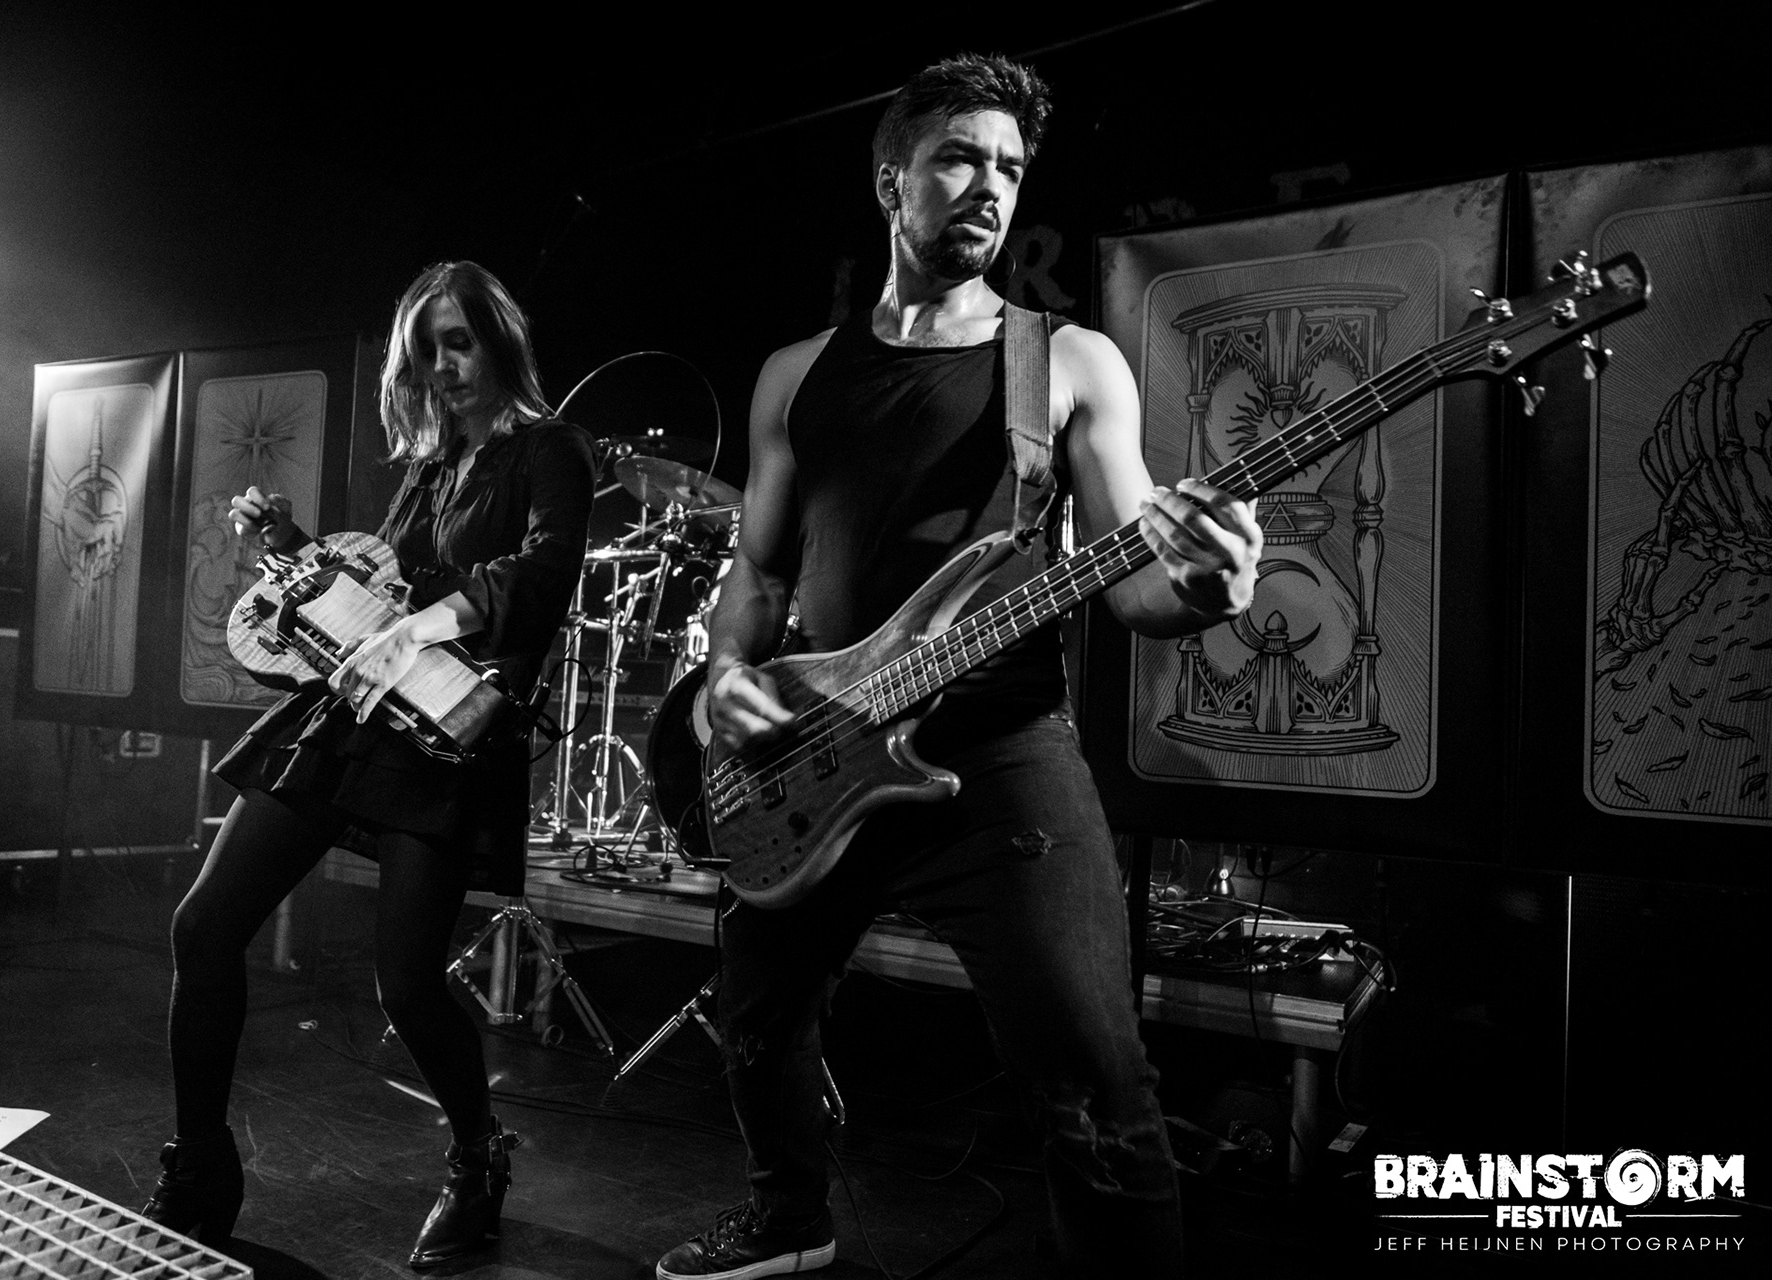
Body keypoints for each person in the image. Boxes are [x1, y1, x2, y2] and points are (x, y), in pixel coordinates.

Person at [655, 55, 1263, 1280]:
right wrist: (723, 668)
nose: (991, 185)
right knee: (757, 1018)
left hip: (998, 755)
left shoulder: (1068, 361)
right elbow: (760, 576)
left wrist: (1210, 585)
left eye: (1010, 167)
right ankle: (789, 1216)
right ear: (892, 181)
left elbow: (1135, 580)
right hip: (819, 745)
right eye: (960, 158)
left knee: (1094, 1077)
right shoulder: (795, 374)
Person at [141, 261, 596, 1269]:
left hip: (448, 734)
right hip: (356, 717)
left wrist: (420, 627)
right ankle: (200, 1160)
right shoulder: (432, 467)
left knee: (407, 985)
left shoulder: (550, 448)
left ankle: (478, 1156)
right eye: (427, 350)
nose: (444, 366)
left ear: (499, 340)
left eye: (460, 341)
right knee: (203, 927)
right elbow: (379, 592)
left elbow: (540, 575)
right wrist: (290, 545)